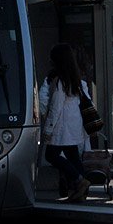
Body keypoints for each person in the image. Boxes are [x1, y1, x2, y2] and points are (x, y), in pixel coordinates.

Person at [42, 43, 91, 202]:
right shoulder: (75, 79)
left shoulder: (59, 82)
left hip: (61, 127)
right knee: (73, 156)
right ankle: (81, 190)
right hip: (74, 125)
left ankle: (79, 180)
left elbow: (55, 108)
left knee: (51, 155)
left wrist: (48, 130)